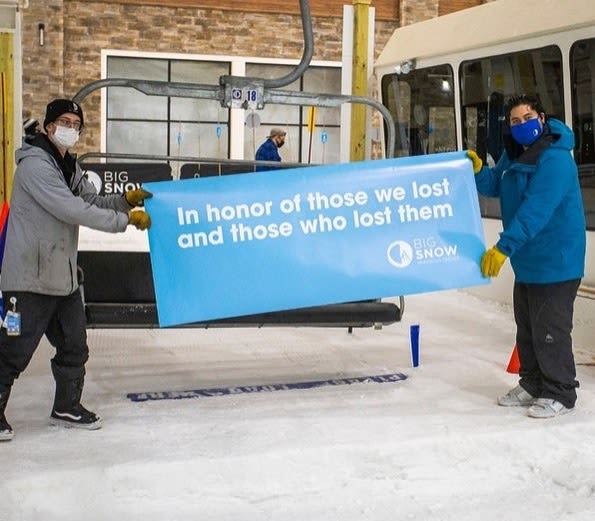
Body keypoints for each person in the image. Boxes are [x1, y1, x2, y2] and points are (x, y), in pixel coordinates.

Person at [0, 99, 153, 441]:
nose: (71, 128)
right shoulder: (35, 167)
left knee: (74, 346)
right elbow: (71, 209)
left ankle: (66, 407)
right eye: (64, 121)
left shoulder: (69, 166)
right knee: (12, 351)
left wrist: (125, 202)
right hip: (29, 278)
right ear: (48, 126)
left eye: (76, 123)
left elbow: (92, 202)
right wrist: (124, 222)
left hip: (63, 277)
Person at [467, 94, 586, 419]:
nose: (523, 125)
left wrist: (503, 247)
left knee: (550, 330)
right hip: (529, 261)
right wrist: (479, 171)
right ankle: (532, 384)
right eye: (515, 121)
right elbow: (496, 185)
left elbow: (536, 211)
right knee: (528, 328)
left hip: (556, 260)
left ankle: (560, 391)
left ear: (543, 119)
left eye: (528, 117)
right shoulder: (517, 153)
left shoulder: (555, 159)